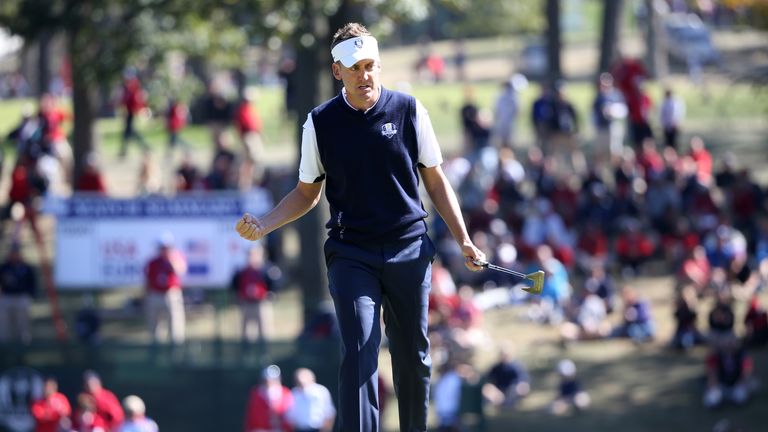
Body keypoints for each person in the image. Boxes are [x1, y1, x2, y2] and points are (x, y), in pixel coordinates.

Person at [235, 22, 486, 432]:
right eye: (355, 67)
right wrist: (264, 224)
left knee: (413, 357)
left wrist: (465, 241)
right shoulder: (320, 123)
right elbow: (305, 194)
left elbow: (436, 181)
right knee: (358, 351)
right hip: (352, 254)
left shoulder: (409, 110)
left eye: (371, 65)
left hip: (409, 248)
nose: (364, 75)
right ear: (338, 71)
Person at [230, 244, 280, 343]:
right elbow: (235, 284)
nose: (251, 257)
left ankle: (265, 356)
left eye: (254, 254)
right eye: (249, 254)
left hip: (261, 303)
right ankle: (247, 355)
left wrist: (270, 294)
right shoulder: (242, 271)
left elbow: (275, 284)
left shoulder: (267, 269)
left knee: (264, 331)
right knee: (246, 333)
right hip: (246, 303)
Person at [144, 232, 187, 344]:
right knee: (155, 328)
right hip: (155, 295)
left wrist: (170, 259)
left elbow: (180, 270)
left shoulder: (176, 259)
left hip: (171, 294)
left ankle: (176, 355)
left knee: (175, 327)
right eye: (161, 247)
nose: (163, 250)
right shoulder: (153, 262)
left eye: (166, 247)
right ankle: (156, 353)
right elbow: (147, 280)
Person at [0, 242, 38, 344]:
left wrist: (31, 296)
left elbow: (32, 283)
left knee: (22, 325)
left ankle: (23, 346)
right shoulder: (4, 267)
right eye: (12, 252)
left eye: (16, 252)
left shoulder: (26, 267)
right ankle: (5, 347)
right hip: (6, 297)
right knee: (5, 326)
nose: (14, 255)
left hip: (22, 297)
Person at [243, 365, 293, 432]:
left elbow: (289, 418)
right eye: (266, 380)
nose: (269, 383)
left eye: (273, 380)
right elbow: (251, 416)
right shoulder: (256, 394)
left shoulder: (286, 393)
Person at [285, 368, 336, 432]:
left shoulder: (321, 391)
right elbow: (290, 416)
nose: (301, 382)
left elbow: (329, 413)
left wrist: (326, 429)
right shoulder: (294, 393)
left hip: (318, 429)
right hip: (299, 429)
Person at [118, 74, 150, 158]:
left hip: (131, 113)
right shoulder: (128, 89)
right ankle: (124, 150)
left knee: (129, 132)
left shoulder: (133, 89)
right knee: (128, 132)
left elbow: (135, 102)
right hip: (129, 113)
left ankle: (125, 150)